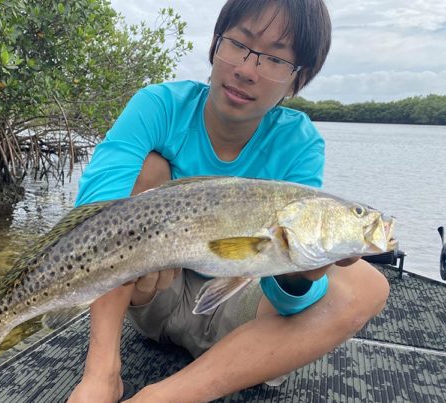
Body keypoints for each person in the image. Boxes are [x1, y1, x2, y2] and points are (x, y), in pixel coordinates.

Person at [68, 1, 390, 402]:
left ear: (296, 79)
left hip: (237, 324)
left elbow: (287, 302)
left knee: (367, 285)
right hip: (151, 295)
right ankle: (102, 374)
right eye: (239, 43)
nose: (246, 69)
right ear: (215, 44)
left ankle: (165, 397)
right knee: (146, 173)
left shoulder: (299, 142)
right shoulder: (159, 106)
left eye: (274, 58)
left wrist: (298, 271)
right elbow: (92, 214)